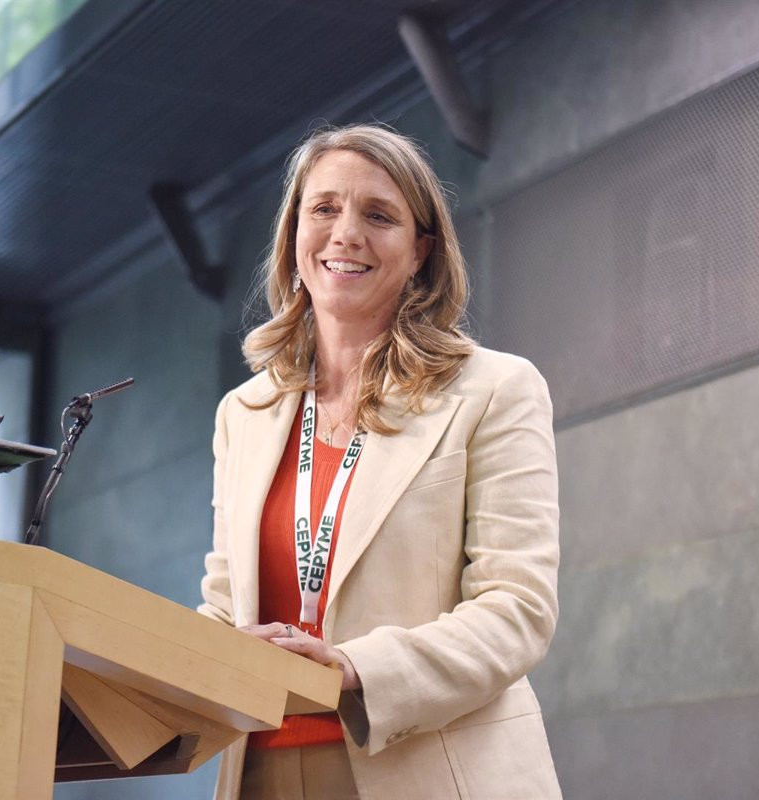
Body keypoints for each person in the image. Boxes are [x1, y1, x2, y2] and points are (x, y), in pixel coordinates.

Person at [197, 124, 561, 799]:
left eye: (379, 215)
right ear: (293, 236)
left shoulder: (495, 391)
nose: (346, 234)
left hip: (428, 771)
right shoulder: (243, 413)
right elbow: (225, 608)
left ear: (421, 250)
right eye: (324, 209)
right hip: (260, 771)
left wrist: (352, 667)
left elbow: (516, 610)